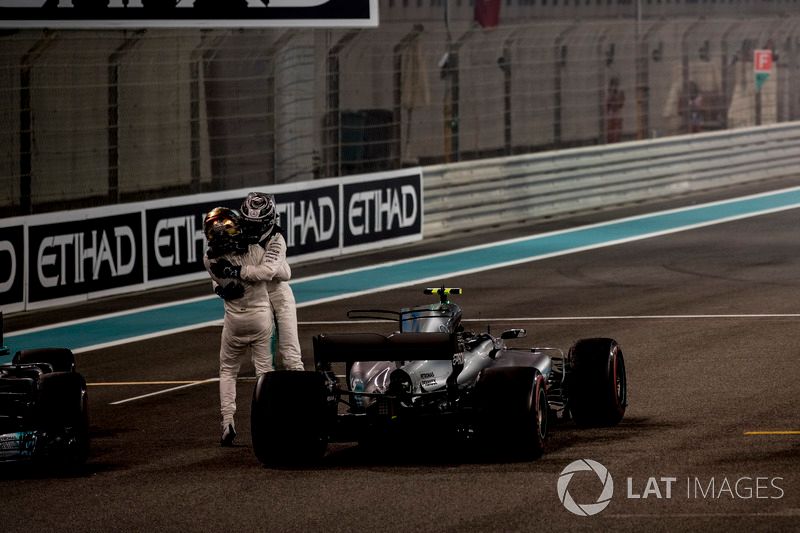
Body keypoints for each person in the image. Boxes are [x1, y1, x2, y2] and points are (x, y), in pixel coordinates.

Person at [203, 206, 290, 447]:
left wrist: (222, 287)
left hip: (233, 321)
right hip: (260, 316)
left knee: (227, 371)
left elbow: (217, 281)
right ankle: (268, 423)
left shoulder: (209, 259)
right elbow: (281, 271)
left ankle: (227, 422)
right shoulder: (255, 250)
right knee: (265, 373)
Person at [238, 192, 304, 372]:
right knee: (263, 362)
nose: (252, 228)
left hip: (279, 293)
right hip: (256, 297)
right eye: (248, 223)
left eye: (256, 224)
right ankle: (267, 395)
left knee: (292, 357)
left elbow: (267, 272)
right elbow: (219, 266)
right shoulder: (234, 236)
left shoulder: (277, 238)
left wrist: (240, 271)